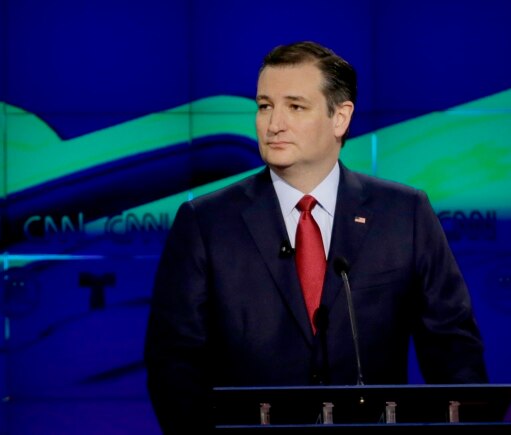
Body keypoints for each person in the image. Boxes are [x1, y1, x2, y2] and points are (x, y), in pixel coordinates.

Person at [144, 41, 488, 433]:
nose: (274, 124)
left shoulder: (404, 214)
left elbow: (454, 352)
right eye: (264, 106)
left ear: (339, 118)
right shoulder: (205, 222)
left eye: (295, 106)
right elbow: (174, 364)